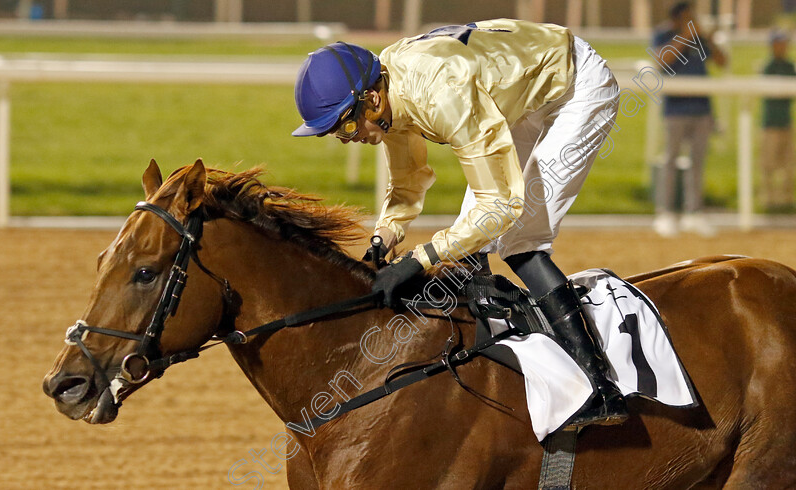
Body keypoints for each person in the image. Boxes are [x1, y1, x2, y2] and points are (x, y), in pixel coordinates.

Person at [292, 19, 625, 428]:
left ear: (373, 100)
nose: (347, 138)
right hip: (521, 91)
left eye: (345, 125)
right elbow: (408, 180)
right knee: (472, 242)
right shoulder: (389, 89)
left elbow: (500, 207)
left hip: (575, 87)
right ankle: (487, 369)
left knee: (519, 237)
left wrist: (419, 258)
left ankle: (600, 386)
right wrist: (383, 238)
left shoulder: (437, 91)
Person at [651, 2, 727, 237]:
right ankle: (665, 212)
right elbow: (662, 61)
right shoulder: (664, 34)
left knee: (697, 163)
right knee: (670, 161)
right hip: (675, 109)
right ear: (676, 19)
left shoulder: (700, 39)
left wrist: (709, 38)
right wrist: (685, 36)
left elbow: (722, 62)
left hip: (702, 108)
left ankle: (694, 212)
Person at [760, 30, 796, 212]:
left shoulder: (790, 66)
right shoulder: (768, 67)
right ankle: (769, 200)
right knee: (768, 164)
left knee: (789, 163)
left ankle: (787, 200)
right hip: (770, 124)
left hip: (786, 123)